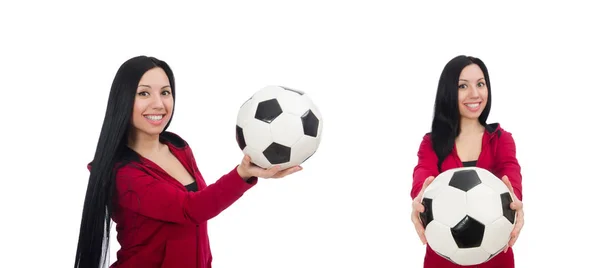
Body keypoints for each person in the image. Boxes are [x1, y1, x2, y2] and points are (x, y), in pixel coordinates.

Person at [73, 56, 302, 268]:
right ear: (123, 100)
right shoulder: (123, 174)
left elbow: (199, 221)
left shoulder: (178, 146)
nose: (158, 104)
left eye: (165, 92)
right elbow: (191, 210)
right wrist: (242, 174)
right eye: (143, 93)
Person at [410, 55, 525, 267]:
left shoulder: (501, 139)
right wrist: (419, 198)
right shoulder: (431, 142)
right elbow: (423, 176)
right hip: (442, 261)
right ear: (448, 92)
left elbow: (511, 176)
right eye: (463, 86)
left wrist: (515, 200)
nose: (475, 93)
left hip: (497, 259)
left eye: (480, 84)